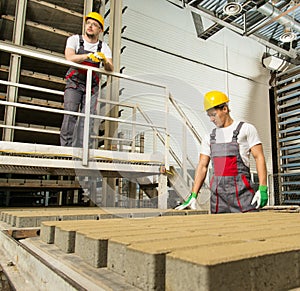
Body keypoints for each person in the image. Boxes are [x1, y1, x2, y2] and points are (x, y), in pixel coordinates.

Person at [176, 90, 268, 213]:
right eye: (208, 115)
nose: (211, 119)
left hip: (243, 197)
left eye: (213, 114)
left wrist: (262, 187)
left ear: (224, 109)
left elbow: (259, 157)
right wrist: (193, 195)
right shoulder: (209, 137)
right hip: (218, 200)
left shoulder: (246, 129)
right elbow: (202, 166)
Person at [60, 11, 114, 147]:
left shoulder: (104, 47)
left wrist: (104, 60)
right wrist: (88, 56)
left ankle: (83, 152)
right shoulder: (75, 40)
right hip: (74, 83)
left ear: (100, 30)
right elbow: (70, 57)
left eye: (94, 25)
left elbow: (110, 68)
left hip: (92, 87)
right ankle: (66, 150)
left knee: (87, 119)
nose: (90, 26)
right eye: (88, 23)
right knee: (70, 114)